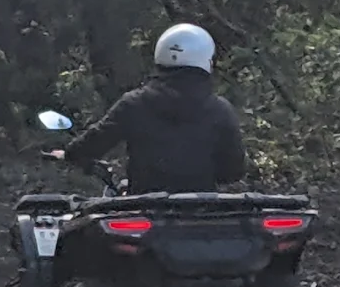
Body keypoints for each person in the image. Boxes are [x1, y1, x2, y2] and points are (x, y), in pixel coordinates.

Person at [59, 24, 248, 193]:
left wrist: (70, 153)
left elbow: (96, 140)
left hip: (143, 207)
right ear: (206, 61)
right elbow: (233, 172)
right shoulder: (221, 110)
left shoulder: (133, 103)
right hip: (200, 214)